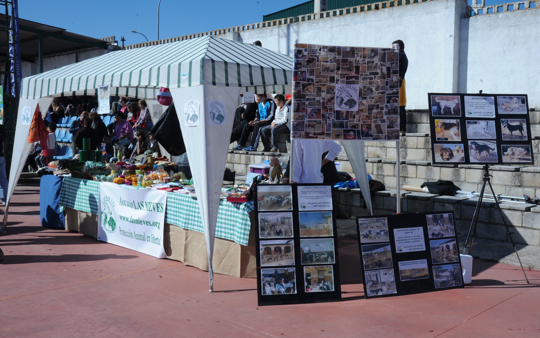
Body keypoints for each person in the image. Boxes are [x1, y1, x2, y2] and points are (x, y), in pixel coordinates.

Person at [392, 39, 408, 132]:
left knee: (400, 105)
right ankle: (401, 126)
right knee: (400, 104)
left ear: (399, 47)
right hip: (400, 81)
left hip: (399, 82)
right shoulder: (402, 56)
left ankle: (401, 126)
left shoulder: (401, 56)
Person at [0, 125, 8, 204]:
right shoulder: (2, 128)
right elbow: (4, 142)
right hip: (1, 155)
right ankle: (4, 198)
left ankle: (3, 197)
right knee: (3, 178)